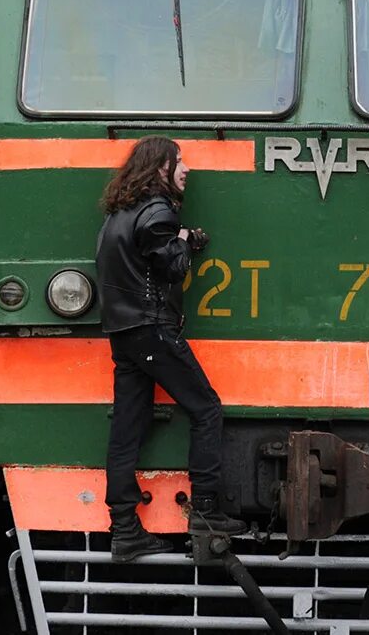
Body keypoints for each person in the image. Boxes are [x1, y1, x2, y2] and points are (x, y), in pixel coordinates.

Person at [95, 136, 248, 563]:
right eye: (179, 162)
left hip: (124, 334)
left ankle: (125, 530)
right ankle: (205, 513)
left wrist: (180, 238)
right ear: (160, 166)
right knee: (206, 408)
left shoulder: (118, 214)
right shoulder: (158, 211)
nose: (186, 169)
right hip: (152, 329)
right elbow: (173, 266)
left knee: (128, 428)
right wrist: (185, 239)